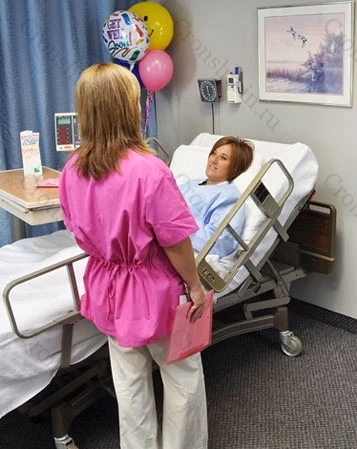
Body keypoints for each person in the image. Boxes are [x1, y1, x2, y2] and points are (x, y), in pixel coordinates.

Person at [58, 63, 208, 449]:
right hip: (155, 292)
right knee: (182, 377)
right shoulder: (150, 172)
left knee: (128, 383)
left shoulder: (72, 170)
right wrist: (194, 286)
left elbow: (77, 229)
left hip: (108, 287)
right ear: (129, 108)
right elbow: (175, 242)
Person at [178, 136, 254, 258]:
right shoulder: (191, 183)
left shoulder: (229, 197)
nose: (214, 160)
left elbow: (221, 243)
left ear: (235, 167)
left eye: (223, 158)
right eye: (213, 153)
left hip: (176, 245)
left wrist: (178, 222)